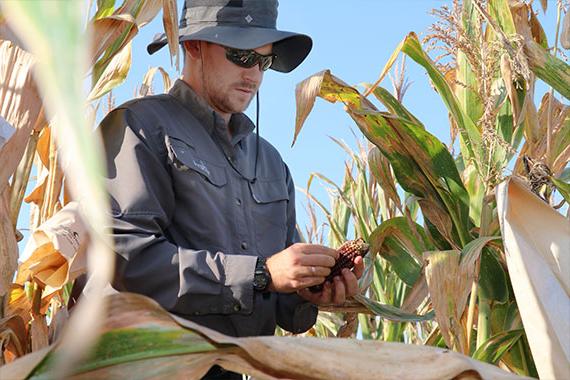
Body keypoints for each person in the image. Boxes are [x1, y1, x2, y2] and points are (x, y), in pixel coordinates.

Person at [99, 1, 363, 376]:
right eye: (241, 55)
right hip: (149, 367)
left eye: (264, 62)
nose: (254, 75)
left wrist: (309, 290)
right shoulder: (139, 126)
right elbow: (126, 260)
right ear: (193, 46)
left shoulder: (270, 162)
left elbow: (283, 303)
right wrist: (259, 274)